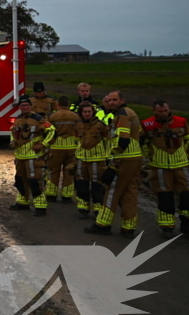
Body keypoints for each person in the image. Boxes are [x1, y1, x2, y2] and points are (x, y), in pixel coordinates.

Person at [85, 90, 143, 237]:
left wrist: (113, 161)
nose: (111, 103)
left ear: (122, 100)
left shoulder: (122, 115)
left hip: (123, 158)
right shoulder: (130, 113)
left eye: (114, 100)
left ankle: (103, 225)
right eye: (109, 100)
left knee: (111, 191)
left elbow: (123, 139)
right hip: (134, 157)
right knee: (129, 193)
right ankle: (128, 227)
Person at [142, 100, 189, 240]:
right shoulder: (147, 124)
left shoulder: (181, 121)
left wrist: (183, 152)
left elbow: (188, 138)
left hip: (182, 165)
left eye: (165, 110)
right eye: (160, 111)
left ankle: (187, 225)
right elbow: (142, 143)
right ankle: (167, 227)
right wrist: (149, 158)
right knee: (164, 197)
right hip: (160, 167)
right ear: (154, 111)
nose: (163, 113)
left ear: (169, 109)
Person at [9, 96, 55, 216]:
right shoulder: (18, 119)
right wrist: (13, 141)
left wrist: (43, 144)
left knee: (35, 181)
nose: (24, 107)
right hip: (20, 155)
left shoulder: (38, 119)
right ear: (19, 107)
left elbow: (52, 131)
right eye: (22, 106)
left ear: (30, 106)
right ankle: (22, 202)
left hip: (33, 156)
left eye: (26, 105)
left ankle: (40, 206)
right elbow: (13, 132)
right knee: (20, 180)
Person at [74, 103, 111, 219]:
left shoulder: (101, 125)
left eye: (89, 112)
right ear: (81, 113)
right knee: (81, 184)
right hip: (81, 158)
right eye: (85, 112)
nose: (87, 114)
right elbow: (76, 140)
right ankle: (83, 208)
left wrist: (108, 156)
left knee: (97, 185)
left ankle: (98, 209)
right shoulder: (78, 125)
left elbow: (108, 140)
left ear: (93, 112)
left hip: (97, 159)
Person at [46, 96, 81, 202]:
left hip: (56, 146)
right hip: (72, 147)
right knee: (69, 172)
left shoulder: (52, 116)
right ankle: (66, 195)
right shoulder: (75, 116)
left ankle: (51, 194)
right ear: (68, 104)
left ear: (58, 104)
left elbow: (48, 131)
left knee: (53, 171)